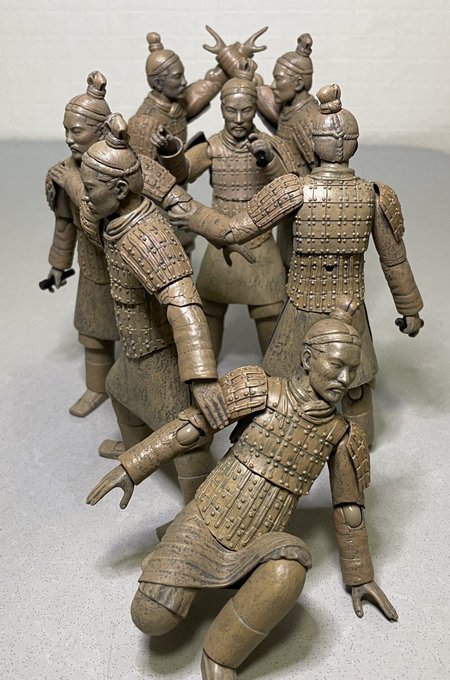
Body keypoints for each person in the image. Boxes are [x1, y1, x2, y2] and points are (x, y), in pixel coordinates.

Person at [87, 296, 397, 680]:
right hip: (207, 518)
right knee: (150, 617)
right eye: (336, 366)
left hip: (260, 543)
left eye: (352, 369)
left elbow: (349, 511)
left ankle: (221, 655)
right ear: (307, 359)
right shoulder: (258, 389)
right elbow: (193, 427)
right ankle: (176, 550)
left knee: (290, 568)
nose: (345, 380)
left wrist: (360, 577)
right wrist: (133, 466)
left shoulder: (342, 435)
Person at [169, 84, 424, 447]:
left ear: (314, 142)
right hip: (349, 306)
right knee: (354, 386)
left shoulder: (293, 190)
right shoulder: (374, 195)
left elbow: (234, 229)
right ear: (353, 143)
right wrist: (410, 308)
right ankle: (359, 448)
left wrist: (193, 215)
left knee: (280, 381)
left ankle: (279, 441)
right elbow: (394, 260)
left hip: (303, 302)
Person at [79, 112, 228, 502]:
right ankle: (137, 449)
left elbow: (185, 306)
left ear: (120, 188)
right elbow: (90, 218)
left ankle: (200, 502)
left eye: (92, 188)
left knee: (184, 427)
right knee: (118, 387)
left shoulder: (147, 237)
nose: (87, 195)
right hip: (136, 347)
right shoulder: (114, 219)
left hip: (159, 351)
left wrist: (201, 377)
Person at [154, 75, 295, 356]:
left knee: (270, 310)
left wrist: (268, 159)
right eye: (232, 110)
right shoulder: (213, 147)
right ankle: (205, 370)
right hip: (220, 243)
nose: (239, 119)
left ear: (255, 109)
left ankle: (274, 370)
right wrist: (170, 150)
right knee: (208, 309)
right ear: (222, 109)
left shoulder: (269, 144)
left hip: (259, 242)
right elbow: (181, 173)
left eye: (246, 110)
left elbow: (289, 188)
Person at [43, 71, 119, 417]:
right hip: (91, 267)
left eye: (76, 131)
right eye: (66, 131)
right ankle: (96, 388)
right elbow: (65, 224)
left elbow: (109, 220)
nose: (69, 139)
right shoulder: (62, 171)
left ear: (101, 131)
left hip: (126, 266)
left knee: (138, 337)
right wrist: (58, 265)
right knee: (93, 333)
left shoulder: (118, 169)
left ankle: (133, 392)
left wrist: (75, 184)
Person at [256, 33, 320, 267]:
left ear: (298, 83)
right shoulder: (289, 110)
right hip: (287, 196)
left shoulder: (308, 120)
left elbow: (320, 170)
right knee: (285, 259)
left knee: (297, 263)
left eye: (278, 79)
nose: (273, 85)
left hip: (304, 204)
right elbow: (263, 95)